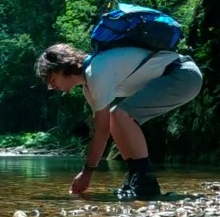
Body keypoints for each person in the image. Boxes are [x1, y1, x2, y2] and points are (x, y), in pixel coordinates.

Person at [35, 42, 202, 199]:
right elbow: (104, 127)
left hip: (182, 75)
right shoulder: (90, 83)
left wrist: (87, 173)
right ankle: (136, 178)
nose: (52, 87)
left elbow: (102, 131)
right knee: (116, 116)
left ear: (62, 67)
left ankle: (147, 182)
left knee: (122, 114)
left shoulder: (96, 71)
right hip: (179, 76)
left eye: (51, 79)